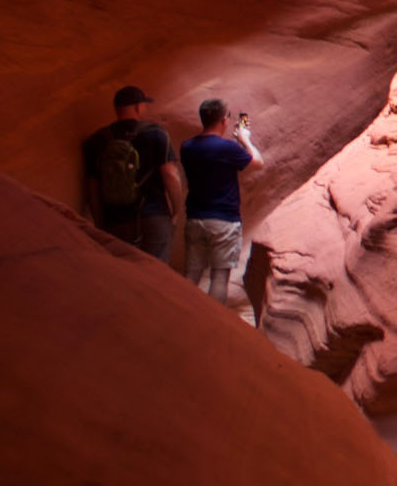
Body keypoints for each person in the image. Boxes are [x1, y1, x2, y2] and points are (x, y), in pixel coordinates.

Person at [180, 98, 265, 319]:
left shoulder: (187, 147)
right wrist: (245, 139)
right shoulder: (227, 148)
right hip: (224, 221)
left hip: (195, 218)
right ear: (223, 120)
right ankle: (212, 321)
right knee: (219, 277)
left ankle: (181, 316)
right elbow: (258, 162)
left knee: (191, 274)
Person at [82, 85, 181, 261]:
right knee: (155, 272)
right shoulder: (156, 133)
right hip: (154, 215)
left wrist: (100, 222)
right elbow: (170, 174)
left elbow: (93, 187)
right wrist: (176, 211)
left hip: (116, 220)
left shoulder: (98, 140)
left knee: (123, 272)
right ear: (137, 106)